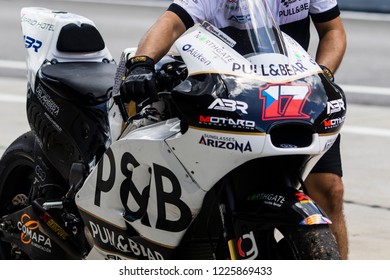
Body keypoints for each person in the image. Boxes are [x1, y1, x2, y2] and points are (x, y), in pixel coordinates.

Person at [120, 0, 348, 259]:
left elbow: (333, 30)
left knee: (330, 189)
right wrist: (142, 62)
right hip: (234, 99)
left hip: (296, 99)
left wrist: (323, 74)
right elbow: (171, 22)